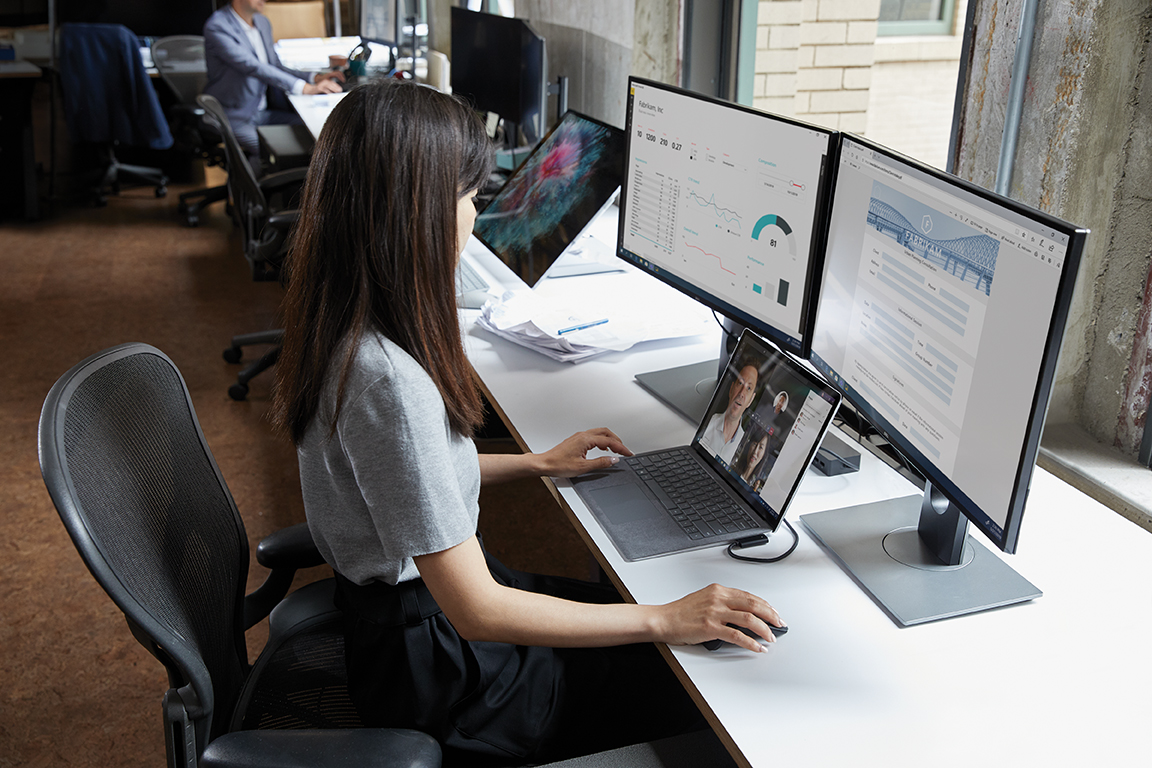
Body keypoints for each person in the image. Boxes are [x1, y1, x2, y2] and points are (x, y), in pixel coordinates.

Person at [271, 81, 785, 767]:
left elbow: (400, 480)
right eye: (468, 196)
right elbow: (478, 611)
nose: (475, 214)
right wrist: (663, 620)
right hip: (442, 671)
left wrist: (536, 463)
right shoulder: (388, 380)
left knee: (639, 619)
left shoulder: (343, 317)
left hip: (416, 619)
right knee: (692, 676)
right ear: (414, 213)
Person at [203, 0, 343, 160]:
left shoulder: (262, 22)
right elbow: (252, 66)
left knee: (316, 131)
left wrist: (314, 77)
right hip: (234, 117)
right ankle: (257, 184)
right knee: (272, 152)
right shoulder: (218, 26)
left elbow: (275, 65)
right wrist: (306, 88)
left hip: (262, 112)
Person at [698, 362, 759, 465]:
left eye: (748, 388)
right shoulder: (707, 421)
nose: (741, 393)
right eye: (740, 383)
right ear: (731, 389)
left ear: (751, 400)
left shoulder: (743, 445)